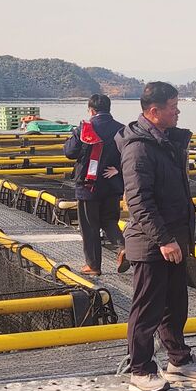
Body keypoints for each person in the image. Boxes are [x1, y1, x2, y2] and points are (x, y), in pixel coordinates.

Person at [115, 82, 196, 391]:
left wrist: (177, 238)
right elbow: (139, 201)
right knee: (147, 309)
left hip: (174, 237)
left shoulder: (165, 141)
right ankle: (141, 369)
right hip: (152, 243)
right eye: (173, 107)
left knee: (175, 304)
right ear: (154, 111)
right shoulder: (138, 148)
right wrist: (163, 239)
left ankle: (178, 359)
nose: (178, 111)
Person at [63, 94, 129, 276]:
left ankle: (93, 265)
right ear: (109, 108)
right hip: (112, 184)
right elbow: (133, 155)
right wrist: (119, 170)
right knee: (109, 221)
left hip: (88, 186)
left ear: (91, 110)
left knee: (89, 226)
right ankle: (123, 247)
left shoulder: (85, 128)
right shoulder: (122, 129)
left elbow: (69, 152)